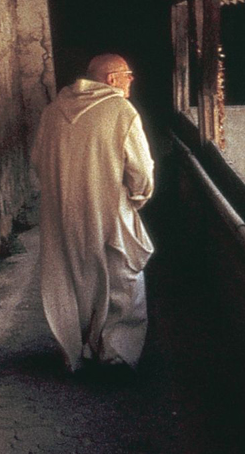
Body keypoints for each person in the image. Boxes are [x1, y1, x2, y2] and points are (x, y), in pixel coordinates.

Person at [31, 53, 155, 373]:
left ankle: (75, 352)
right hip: (110, 211)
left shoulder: (54, 110)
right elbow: (140, 172)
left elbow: (37, 162)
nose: (132, 80)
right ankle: (115, 355)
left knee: (74, 278)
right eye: (127, 74)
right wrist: (138, 198)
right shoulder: (121, 111)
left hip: (62, 212)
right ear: (111, 79)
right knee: (121, 279)